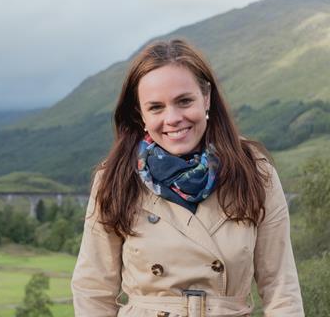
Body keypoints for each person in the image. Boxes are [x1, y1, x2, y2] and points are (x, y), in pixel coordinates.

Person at [71, 39, 304, 317]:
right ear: (140, 113)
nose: (173, 118)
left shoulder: (254, 171)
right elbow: (93, 289)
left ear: (206, 97)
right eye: (156, 107)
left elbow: (280, 286)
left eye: (184, 101)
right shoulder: (115, 177)